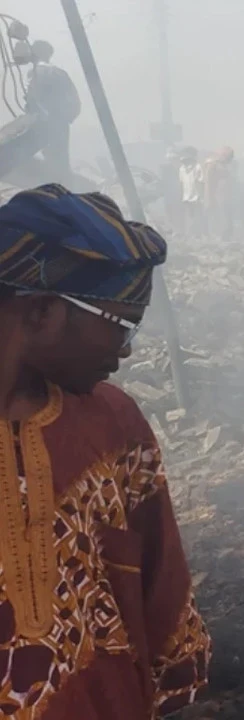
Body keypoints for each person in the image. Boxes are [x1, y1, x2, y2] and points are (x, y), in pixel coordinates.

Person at [0, 184, 211, 719]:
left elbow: (158, 578)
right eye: (122, 324)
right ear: (43, 313)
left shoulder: (114, 423)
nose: (126, 350)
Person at [23, 41, 81, 185]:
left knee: (48, 161)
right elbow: (74, 100)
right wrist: (66, 118)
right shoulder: (60, 72)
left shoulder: (36, 72)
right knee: (61, 160)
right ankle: (66, 189)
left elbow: (33, 100)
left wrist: (37, 118)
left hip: (44, 123)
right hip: (60, 122)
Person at [202, 146, 240, 241]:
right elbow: (208, 183)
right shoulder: (213, 165)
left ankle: (226, 236)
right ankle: (217, 236)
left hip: (226, 196)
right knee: (218, 216)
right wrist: (209, 198)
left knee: (226, 216)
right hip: (217, 196)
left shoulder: (226, 166)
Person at [176, 147, 204, 236]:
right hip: (186, 197)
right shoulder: (182, 169)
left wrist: (201, 196)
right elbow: (181, 183)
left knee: (198, 217)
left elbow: (201, 182)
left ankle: (199, 235)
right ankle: (190, 235)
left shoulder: (198, 167)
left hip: (197, 197)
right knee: (189, 216)